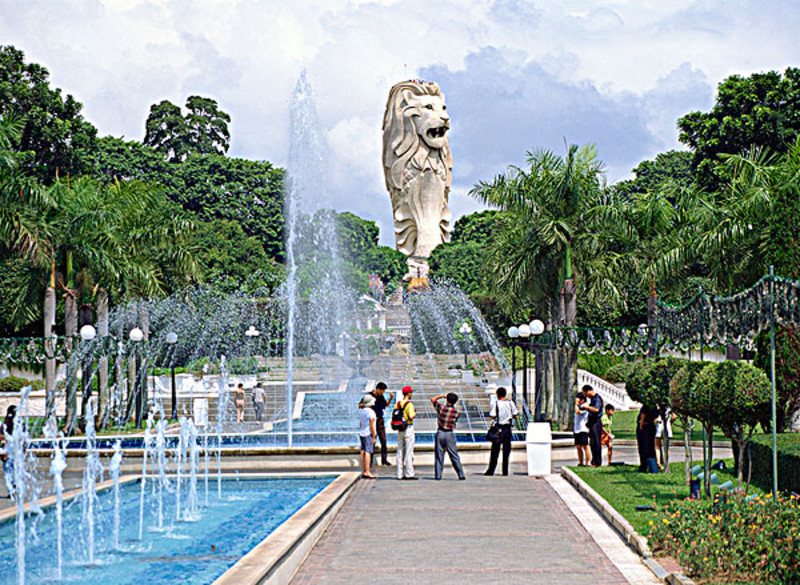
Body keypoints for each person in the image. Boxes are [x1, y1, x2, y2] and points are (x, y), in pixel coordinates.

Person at [430, 392, 466, 480]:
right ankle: (460, 474)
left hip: (440, 432)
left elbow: (433, 399)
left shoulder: (441, 408)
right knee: (454, 454)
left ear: (447, 399)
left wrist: (442, 396)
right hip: (450, 433)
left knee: (439, 455)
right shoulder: (457, 412)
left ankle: (438, 475)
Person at [484, 387, 518, 476]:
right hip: (507, 428)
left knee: (495, 450)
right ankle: (505, 471)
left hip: (498, 428)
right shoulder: (511, 403)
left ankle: (491, 470)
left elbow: (492, 416)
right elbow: (516, 415)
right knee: (506, 450)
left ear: (497, 395)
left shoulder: (496, 404)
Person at [369, 382, 394, 466]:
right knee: (372, 440)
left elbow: (385, 405)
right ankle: (370, 460)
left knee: (383, 440)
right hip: (372, 420)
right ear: (378, 389)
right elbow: (361, 405)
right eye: (382, 391)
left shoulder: (381, 397)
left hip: (380, 420)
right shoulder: (369, 396)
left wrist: (390, 398)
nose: (383, 393)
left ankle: (384, 459)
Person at [396, 385, 417, 480]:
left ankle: (399, 474)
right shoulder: (409, 404)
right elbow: (411, 416)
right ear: (409, 393)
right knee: (409, 452)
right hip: (408, 428)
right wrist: (415, 413)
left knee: (400, 451)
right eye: (411, 392)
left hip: (400, 428)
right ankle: (409, 473)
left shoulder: (398, 403)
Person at [580, 384, 604, 467]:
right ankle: (594, 460)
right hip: (592, 423)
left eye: (586, 394)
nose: (586, 396)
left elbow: (596, 409)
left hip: (596, 423)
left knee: (596, 442)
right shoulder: (593, 399)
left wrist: (587, 407)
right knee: (593, 443)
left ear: (589, 391)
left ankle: (597, 462)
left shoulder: (597, 399)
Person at [359, 394, 377, 479]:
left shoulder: (362, 411)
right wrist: (374, 436)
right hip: (368, 433)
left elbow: (361, 423)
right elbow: (372, 425)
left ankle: (364, 470)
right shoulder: (371, 412)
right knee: (368, 452)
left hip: (362, 432)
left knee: (363, 451)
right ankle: (367, 471)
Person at [636, 404, 658, 472]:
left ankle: (644, 466)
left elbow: (643, 414)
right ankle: (652, 466)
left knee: (643, 447)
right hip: (651, 426)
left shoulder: (646, 405)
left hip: (645, 427)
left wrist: (641, 424)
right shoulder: (654, 406)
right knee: (651, 447)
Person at [1, 406, 16, 499]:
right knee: (16, 470)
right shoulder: (19, 423)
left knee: (7, 471)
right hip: (17, 451)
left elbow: (3, 437)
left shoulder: (5, 424)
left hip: (8, 450)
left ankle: (11, 491)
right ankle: (16, 487)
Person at [573, 393, 590, 466]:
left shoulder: (584, 407)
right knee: (578, 446)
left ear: (582, 400)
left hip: (583, 429)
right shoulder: (578, 406)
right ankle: (581, 462)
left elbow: (577, 412)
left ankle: (588, 462)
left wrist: (576, 404)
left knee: (585, 446)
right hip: (577, 429)